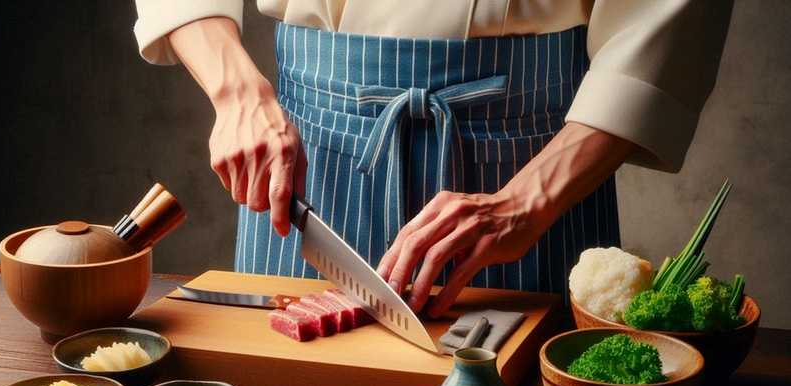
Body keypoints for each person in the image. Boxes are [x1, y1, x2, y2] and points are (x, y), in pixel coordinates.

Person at [133, 1, 733, 319]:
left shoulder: (526, 198)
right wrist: (237, 91)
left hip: (525, 177)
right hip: (307, 162)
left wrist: (525, 200)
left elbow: (670, 20)